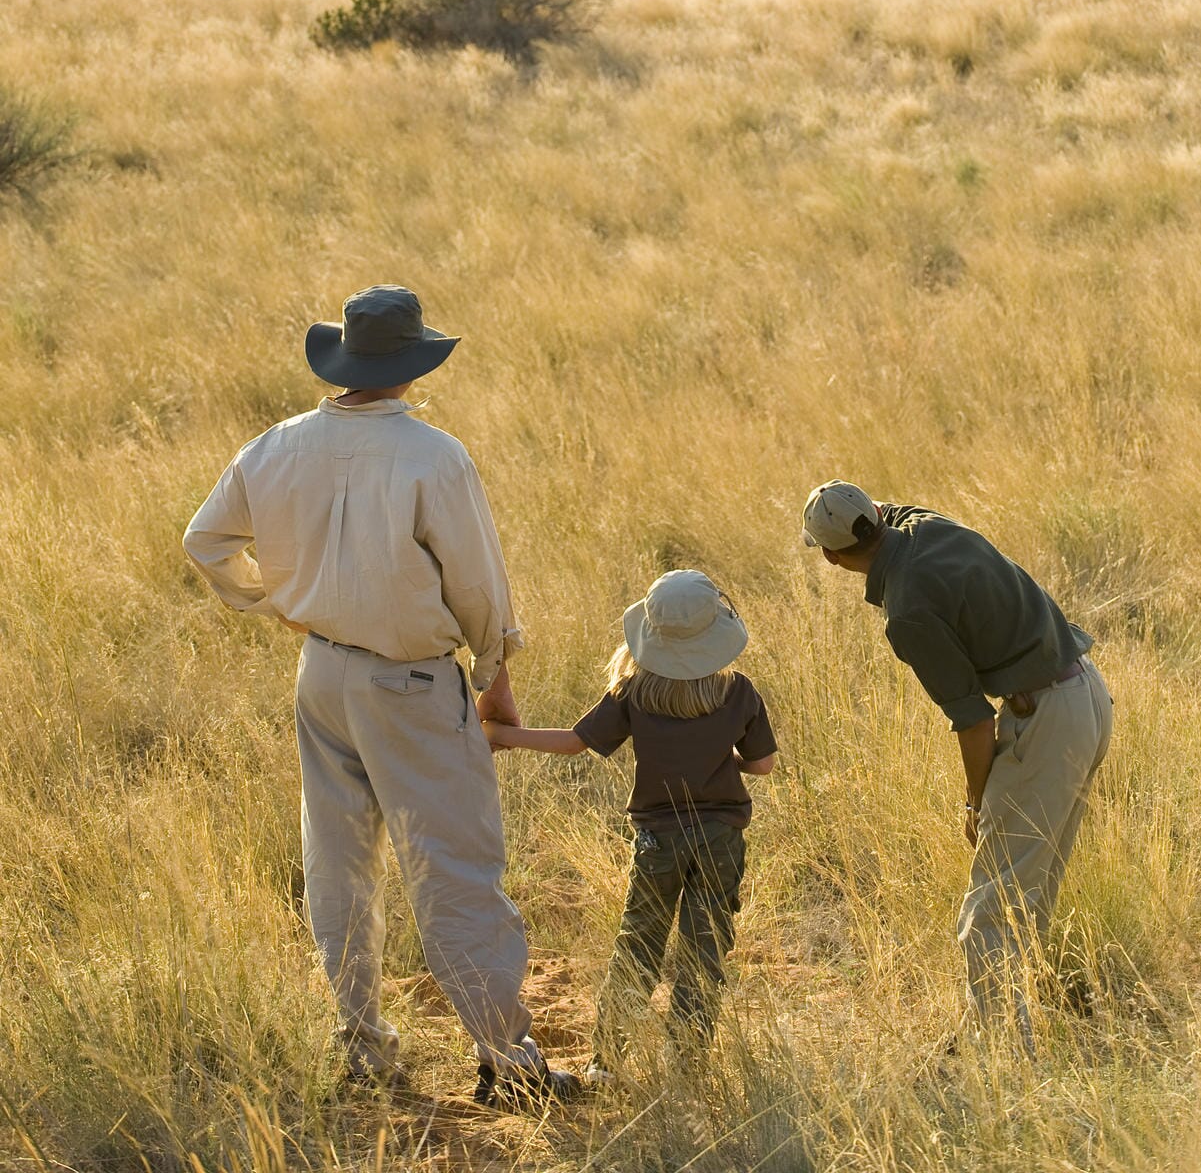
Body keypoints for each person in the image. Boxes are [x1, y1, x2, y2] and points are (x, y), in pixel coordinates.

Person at [183, 283, 578, 1105]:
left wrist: (280, 601)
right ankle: (508, 1066)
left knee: (338, 866)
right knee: (453, 868)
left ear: (347, 358)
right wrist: (494, 677)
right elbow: (477, 589)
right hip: (408, 681)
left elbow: (206, 540)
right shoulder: (433, 454)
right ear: (410, 363)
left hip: (321, 674)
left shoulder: (277, 444)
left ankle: (361, 1048)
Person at [802, 481, 1112, 1038]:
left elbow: (974, 722)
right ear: (879, 515)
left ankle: (1003, 1063)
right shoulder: (925, 523)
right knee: (1028, 890)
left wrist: (974, 803)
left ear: (830, 556)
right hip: (1086, 691)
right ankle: (991, 1030)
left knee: (988, 913)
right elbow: (883, 511)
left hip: (1045, 720)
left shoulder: (908, 612)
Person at [485, 568, 777, 1078]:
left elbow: (576, 741)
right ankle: (687, 1063)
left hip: (658, 840)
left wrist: (505, 735)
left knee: (639, 942)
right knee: (705, 947)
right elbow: (763, 764)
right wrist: (727, 759)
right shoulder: (738, 692)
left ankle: (608, 1062)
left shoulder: (634, 690)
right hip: (721, 838)